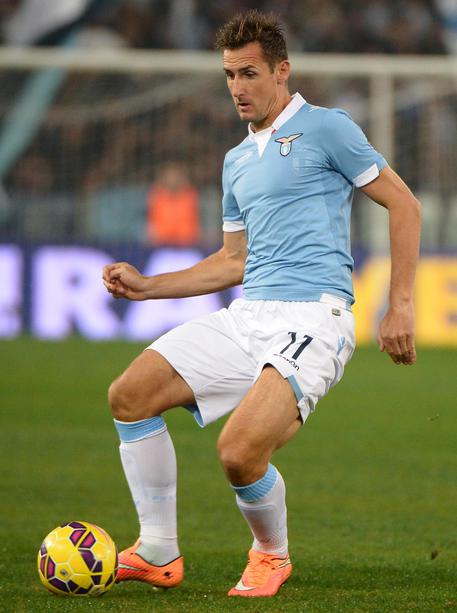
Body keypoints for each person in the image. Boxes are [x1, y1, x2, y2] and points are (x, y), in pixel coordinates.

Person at [103, 10, 421, 598]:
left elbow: (404, 204)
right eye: (229, 75)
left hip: (315, 316)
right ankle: (157, 550)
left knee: (238, 452)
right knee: (130, 395)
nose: (237, 88)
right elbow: (233, 261)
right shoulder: (236, 161)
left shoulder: (327, 127)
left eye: (249, 73)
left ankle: (271, 555)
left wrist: (399, 304)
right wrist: (148, 286)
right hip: (249, 315)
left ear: (281, 70)